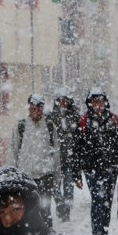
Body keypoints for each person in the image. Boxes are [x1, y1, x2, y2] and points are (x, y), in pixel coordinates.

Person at [72, 88, 118, 235]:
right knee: (97, 201)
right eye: (95, 102)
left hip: (111, 168)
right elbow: (75, 149)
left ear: (105, 102)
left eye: (100, 102)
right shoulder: (83, 122)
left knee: (106, 203)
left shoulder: (115, 120)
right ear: (90, 104)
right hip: (91, 169)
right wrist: (76, 173)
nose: (98, 106)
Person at [7, 94, 60, 225]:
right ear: (29, 108)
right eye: (33, 107)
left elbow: (56, 154)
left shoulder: (49, 127)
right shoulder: (21, 127)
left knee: (45, 213)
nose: (36, 111)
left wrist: (57, 177)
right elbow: (13, 152)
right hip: (26, 178)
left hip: (45, 177)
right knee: (26, 214)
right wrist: (11, 176)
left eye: (39, 108)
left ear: (43, 109)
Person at [47, 88, 80, 221]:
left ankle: (67, 209)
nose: (63, 103)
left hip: (70, 158)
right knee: (55, 186)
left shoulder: (74, 116)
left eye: (65, 100)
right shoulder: (51, 117)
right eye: (61, 100)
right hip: (55, 158)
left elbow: (79, 136)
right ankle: (61, 205)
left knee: (68, 186)